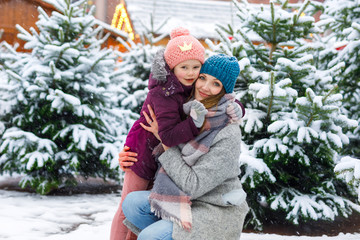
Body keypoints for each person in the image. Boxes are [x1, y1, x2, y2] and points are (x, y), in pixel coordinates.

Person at [122, 54, 249, 240]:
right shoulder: (188, 110)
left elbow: (193, 185)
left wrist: (164, 141)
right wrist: (127, 153)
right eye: (203, 78)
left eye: (216, 84)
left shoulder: (227, 131)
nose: (205, 87)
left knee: (150, 236)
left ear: (224, 91)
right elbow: (144, 131)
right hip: (184, 200)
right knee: (132, 203)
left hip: (213, 207)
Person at [110, 26, 207, 240]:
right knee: (129, 205)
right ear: (172, 68)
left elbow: (222, 93)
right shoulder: (164, 92)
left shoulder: (190, 86)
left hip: (163, 156)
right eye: (184, 67)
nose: (191, 72)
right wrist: (194, 123)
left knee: (148, 209)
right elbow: (169, 135)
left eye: (196, 66)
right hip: (142, 153)